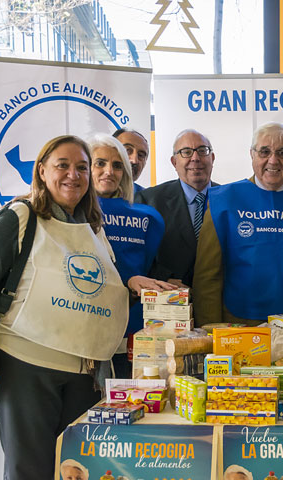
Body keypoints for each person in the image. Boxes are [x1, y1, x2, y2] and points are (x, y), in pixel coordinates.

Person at [0, 135, 150, 480]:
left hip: (83, 373)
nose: (73, 175)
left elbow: (97, 288)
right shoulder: (21, 216)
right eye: (62, 165)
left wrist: (130, 286)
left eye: (81, 167)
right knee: (30, 470)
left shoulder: (92, 227)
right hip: (26, 367)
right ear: (42, 171)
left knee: (75, 470)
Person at [193, 123, 283, 336]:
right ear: (252, 155)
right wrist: (211, 333)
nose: (273, 160)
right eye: (265, 152)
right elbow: (207, 276)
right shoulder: (224, 200)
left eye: (282, 153)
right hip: (237, 324)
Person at [88, 133, 175, 377]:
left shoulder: (148, 216)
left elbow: (147, 264)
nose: (109, 171)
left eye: (117, 166)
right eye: (100, 163)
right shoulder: (69, 215)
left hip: (132, 327)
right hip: (83, 325)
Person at [136, 129, 217, 287]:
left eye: (202, 151)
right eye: (186, 152)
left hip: (219, 301)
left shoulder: (228, 200)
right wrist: (162, 278)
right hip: (168, 299)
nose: (195, 158)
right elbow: (136, 254)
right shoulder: (148, 201)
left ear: (212, 158)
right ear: (174, 162)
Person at [113, 128, 150, 194]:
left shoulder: (148, 199)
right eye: (127, 151)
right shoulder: (89, 196)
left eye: (141, 155)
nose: (134, 160)